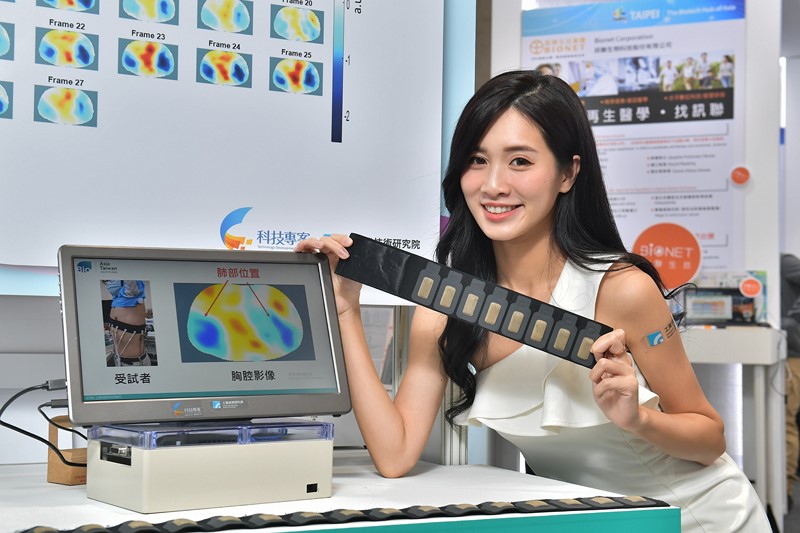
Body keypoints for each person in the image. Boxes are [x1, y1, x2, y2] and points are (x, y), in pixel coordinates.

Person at [295, 70, 770, 532]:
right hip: (592, 521)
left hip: (697, 518)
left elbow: (710, 438)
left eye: (520, 161)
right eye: (477, 160)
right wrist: (345, 311)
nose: (493, 185)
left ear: (568, 173)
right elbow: (395, 455)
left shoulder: (621, 289)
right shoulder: (446, 302)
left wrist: (639, 419)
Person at [783, 253, 800, 508]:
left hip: (792, 355)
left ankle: (784, 489)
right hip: (782, 353)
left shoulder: (784, 263)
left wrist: (791, 319)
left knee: (785, 422)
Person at [103, 279, 151, 366]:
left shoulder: (132, 293)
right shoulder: (117, 298)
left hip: (136, 364)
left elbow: (130, 280)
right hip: (119, 360)